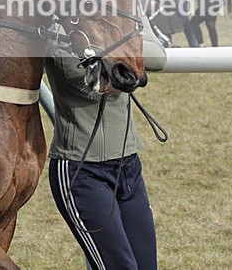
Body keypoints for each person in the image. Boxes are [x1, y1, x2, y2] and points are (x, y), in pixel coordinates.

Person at [46, 15, 166, 270]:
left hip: (129, 166)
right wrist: (125, 48)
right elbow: (91, 79)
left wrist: (119, 48)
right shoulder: (53, 20)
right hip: (81, 171)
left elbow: (157, 58)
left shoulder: (123, 11)